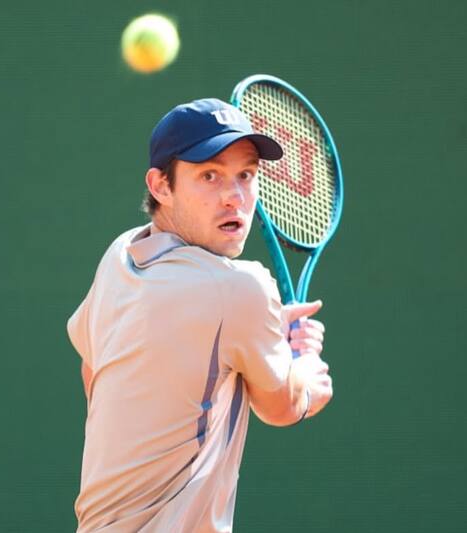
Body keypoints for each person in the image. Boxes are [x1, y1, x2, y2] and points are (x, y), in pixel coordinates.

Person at [67, 98, 333, 532]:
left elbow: (94, 373)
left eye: (246, 176)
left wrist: (255, 332)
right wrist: (304, 369)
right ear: (161, 186)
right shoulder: (240, 288)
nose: (234, 196)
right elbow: (282, 406)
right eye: (209, 175)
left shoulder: (120, 257)